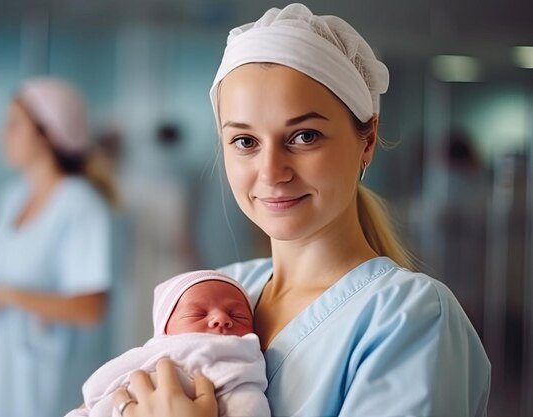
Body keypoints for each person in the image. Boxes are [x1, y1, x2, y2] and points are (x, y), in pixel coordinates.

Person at [109, 4, 491, 417]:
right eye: (245, 142)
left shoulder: (409, 317)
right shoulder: (225, 292)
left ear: (368, 140)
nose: (271, 172)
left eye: (305, 136)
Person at [0, 77, 117, 417]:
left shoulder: (82, 205)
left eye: (13, 125)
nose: (1, 135)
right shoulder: (12, 197)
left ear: (47, 134)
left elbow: (91, 307)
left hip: (45, 384)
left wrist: (2, 296)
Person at [65, 270, 269, 417]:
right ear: (164, 329)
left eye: (238, 315)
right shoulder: (153, 352)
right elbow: (103, 385)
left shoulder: (243, 359)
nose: (221, 319)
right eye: (197, 313)